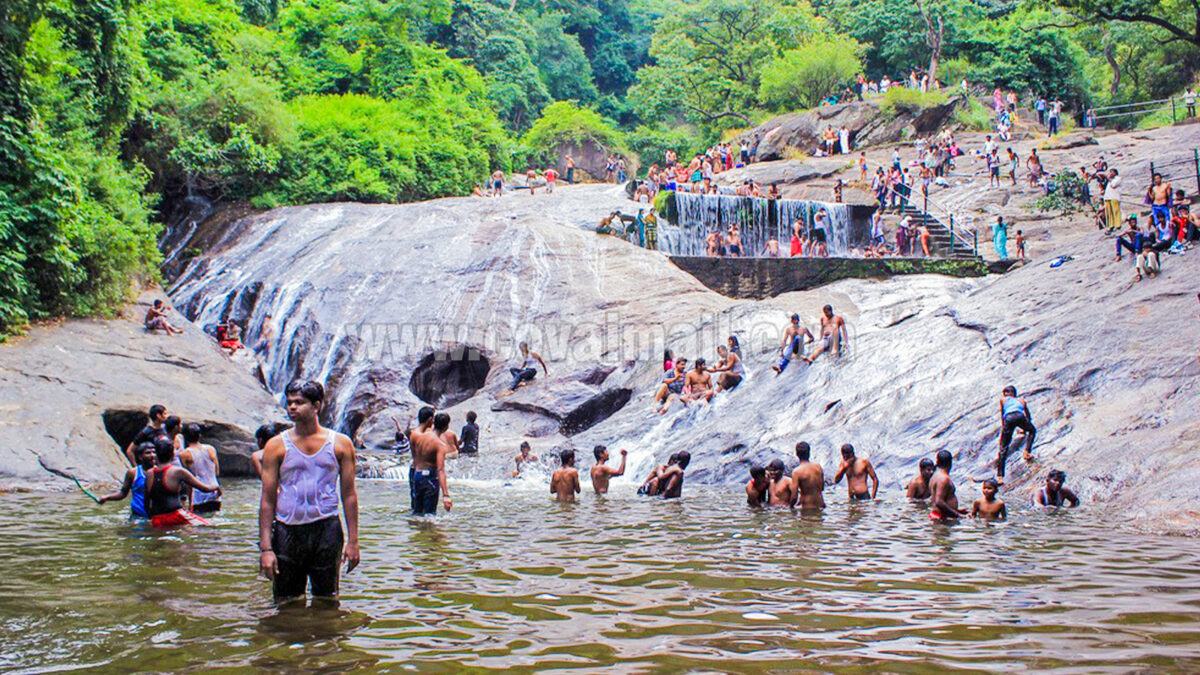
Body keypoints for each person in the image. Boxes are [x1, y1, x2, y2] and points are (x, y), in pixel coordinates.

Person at [258, 379, 359, 606]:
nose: (292, 407)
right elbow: (267, 500)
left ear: (317, 405)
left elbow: (349, 495)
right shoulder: (276, 445)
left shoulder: (341, 444)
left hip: (326, 529)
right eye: (290, 402)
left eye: (299, 402)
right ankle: (291, 639)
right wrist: (266, 548)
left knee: (328, 599)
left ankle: (325, 640)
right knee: (286, 601)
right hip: (287, 531)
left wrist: (353, 542)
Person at [146, 438, 220, 529]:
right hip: (176, 516)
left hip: (157, 519)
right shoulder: (178, 471)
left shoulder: (149, 473)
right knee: (210, 526)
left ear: (156, 454)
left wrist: (152, 519)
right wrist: (216, 486)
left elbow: (146, 501)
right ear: (172, 454)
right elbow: (204, 488)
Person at [405, 406, 453, 515]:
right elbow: (440, 470)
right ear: (446, 427)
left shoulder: (419, 436)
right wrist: (446, 495)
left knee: (417, 512)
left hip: (417, 475)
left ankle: (415, 530)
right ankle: (428, 532)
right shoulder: (440, 445)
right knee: (430, 515)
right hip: (430, 478)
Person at [98, 441, 156, 519]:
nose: (152, 455)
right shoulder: (133, 473)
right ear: (140, 457)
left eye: (154, 452)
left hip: (156, 515)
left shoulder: (161, 471)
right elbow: (123, 493)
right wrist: (107, 497)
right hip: (138, 515)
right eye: (148, 453)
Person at [996, 385, 1036, 483]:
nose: (1005, 396)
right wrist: (1024, 429)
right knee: (1032, 431)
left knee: (1003, 448)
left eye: (1006, 394)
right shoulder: (1022, 400)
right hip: (1020, 416)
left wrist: (1004, 428)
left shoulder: (1003, 400)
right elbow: (1028, 415)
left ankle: (1000, 477)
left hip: (1009, 418)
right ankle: (1027, 451)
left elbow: (1003, 414)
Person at [179, 423, 221, 514]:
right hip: (214, 492)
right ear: (199, 436)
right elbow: (216, 472)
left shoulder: (184, 454)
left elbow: (188, 480)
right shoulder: (211, 449)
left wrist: (190, 502)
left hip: (198, 495)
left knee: (200, 524)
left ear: (185, 437)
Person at [929, 450, 965, 520]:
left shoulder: (935, 475)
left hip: (939, 516)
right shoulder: (943, 479)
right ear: (950, 463)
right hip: (942, 519)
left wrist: (957, 511)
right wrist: (958, 515)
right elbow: (939, 502)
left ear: (937, 462)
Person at [790, 442, 825, 509]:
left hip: (808, 508)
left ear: (797, 454)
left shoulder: (797, 472)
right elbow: (822, 487)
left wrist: (790, 507)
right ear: (809, 453)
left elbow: (794, 497)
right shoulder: (818, 467)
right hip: (821, 504)